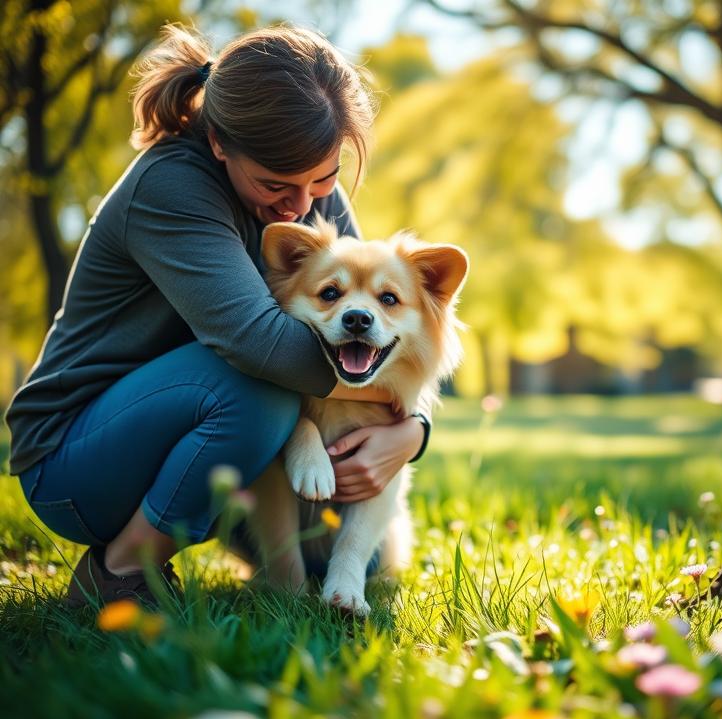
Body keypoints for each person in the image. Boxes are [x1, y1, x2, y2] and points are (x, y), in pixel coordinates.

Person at [3, 24, 430, 607]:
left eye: (325, 179)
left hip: (197, 437)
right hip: (75, 461)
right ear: (221, 145)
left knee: (366, 553)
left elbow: (374, 328)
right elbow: (264, 348)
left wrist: (412, 431)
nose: (304, 206)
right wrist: (400, 414)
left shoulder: (302, 181)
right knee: (260, 390)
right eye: (276, 185)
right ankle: (119, 570)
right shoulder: (172, 186)